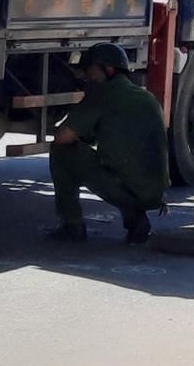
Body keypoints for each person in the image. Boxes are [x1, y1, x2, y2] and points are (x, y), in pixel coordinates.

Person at [46, 43, 169, 245]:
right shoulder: (146, 97)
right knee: (122, 167)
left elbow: (63, 137)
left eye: (91, 72)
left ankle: (72, 224)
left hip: (126, 189)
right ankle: (136, 221)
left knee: (61, 151)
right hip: (155, 193)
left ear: (108, 69)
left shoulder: (102, 94)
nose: (87, 77)